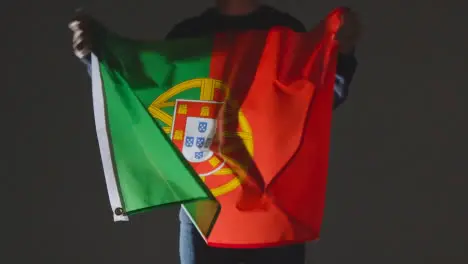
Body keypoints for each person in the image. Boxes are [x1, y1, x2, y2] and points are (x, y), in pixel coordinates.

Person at [69, 1, 361, 263]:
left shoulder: (284, 32)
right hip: (205, 215)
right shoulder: (190, 35)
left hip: (271, 213)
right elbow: (147, 103)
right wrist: (97, 55)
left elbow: (314, 104)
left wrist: (342, 51)